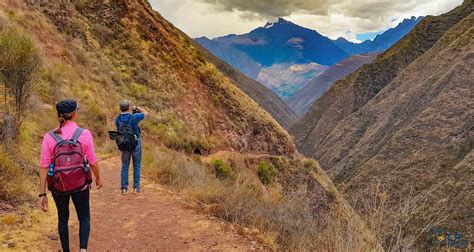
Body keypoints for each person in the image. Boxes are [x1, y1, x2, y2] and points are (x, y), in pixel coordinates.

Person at [38, 99, 103, 252]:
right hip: (80, 184)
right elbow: (92, 161)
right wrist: (98, 178)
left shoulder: (49, 137)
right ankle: (83, 250)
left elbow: (44, 167)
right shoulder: (84, 134)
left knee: (63, 218)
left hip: (58, 186)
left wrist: (42, 194)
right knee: (84, 217)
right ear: (74, 114)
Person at [115, 100, 147, 194]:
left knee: (125, 165)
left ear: (120, 108)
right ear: (128, 108)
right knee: (136, 165)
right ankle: (136, 188)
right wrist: (137, 108)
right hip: (135, 143)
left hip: (124, 144)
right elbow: (145, 113)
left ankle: (124, 188)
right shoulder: (134, 117)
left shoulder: (117, 119)